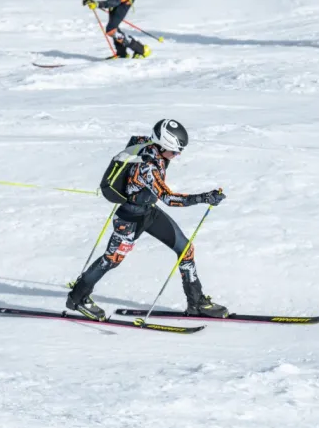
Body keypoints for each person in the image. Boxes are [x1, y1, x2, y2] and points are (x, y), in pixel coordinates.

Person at [66, 120, 228, 320]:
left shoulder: (150, 145)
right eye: (174, 151)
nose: (177, 156)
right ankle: (77, 298)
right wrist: (204, 198)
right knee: (111, 260)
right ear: (161, 146)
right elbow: (169, 199)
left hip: (148, 212)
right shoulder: (147, 168)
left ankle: (196, 302)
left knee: (186, 249)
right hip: (129, 219)